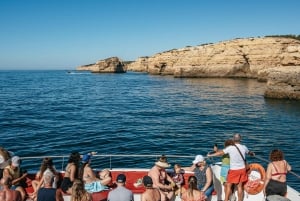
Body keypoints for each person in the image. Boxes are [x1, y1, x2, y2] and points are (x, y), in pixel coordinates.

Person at [207, 133, 255, 201]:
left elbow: (220, 153)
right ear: (240, 139)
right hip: (242, 169)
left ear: (233, 139)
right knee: (240, 186)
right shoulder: (244, 147)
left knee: (229, 186)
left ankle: (226, 199)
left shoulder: (230, 148)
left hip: (233, 170)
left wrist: (211, 155)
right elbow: (249, 152)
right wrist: (252, 154)